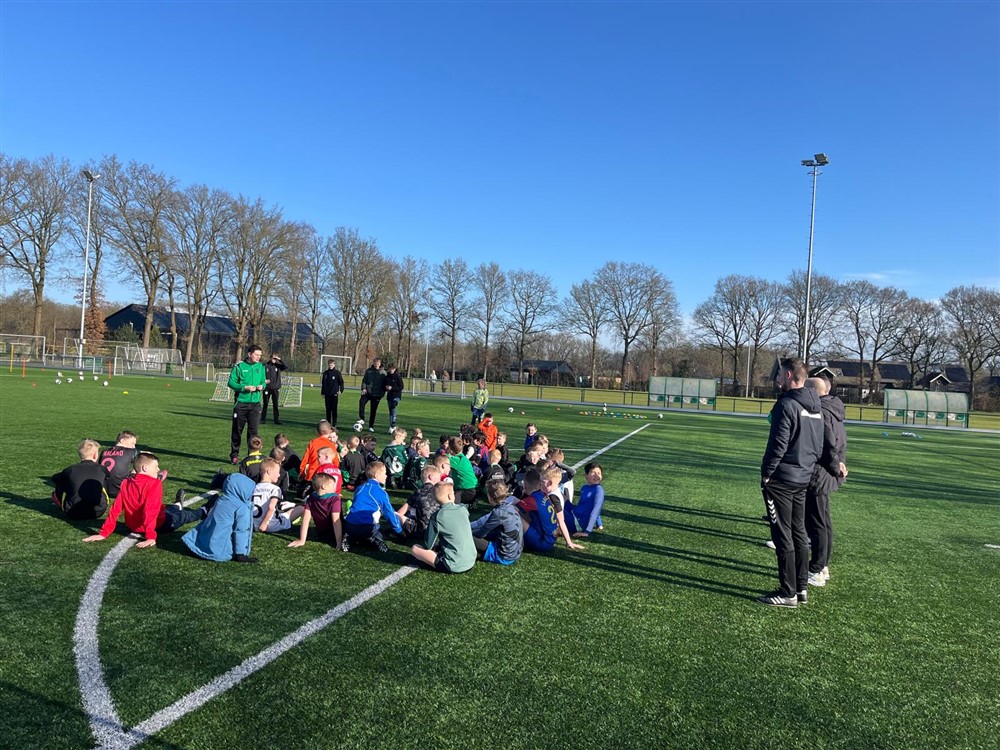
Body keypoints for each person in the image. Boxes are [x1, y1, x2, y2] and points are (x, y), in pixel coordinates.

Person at [757, 357, 824, 608]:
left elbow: (778, 445)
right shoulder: (816, 406)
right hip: (802, 478)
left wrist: (767, 473)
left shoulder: (786, 404)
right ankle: (801, 587)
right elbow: (818, 446)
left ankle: (788, 592)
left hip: (782, 480)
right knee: (798, 533)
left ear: (788, 376)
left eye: (778, 375)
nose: (775, 379)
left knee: (783, 535)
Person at [84, 452, 203, 547]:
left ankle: (177, 504)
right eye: (156, 466)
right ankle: (205, 510)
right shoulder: (155, 484)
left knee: (167, 509)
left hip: (132, 526)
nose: (158, 469)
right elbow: (150, 511)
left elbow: (116, 509)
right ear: (145, 467)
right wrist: (151, 536)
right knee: (185, 515)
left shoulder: (126, 482)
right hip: (160, 524)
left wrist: (104, 533)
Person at [805, 376, 848, 588]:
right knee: (822, 522)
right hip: (825, 473)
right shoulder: (834, 409)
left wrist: (835, 467)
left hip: (819, 474)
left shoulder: (821, 412)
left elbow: (828, 445)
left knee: (819, 524)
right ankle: (822, 565)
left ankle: (818, 568)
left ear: (813, 392)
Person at [181, 473, 259, 563]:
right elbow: (241, 530)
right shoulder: (242, 507)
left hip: (204, 543)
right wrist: (240, 554)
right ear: (244, 490)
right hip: (220, 551)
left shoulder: (221, 500)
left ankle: (199, 548)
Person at [410, 483, 476, 574]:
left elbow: (427, 545)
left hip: (454, 565)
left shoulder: (437, 516)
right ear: (450, 496)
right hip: (471, 559)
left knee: (415, 548)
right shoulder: (463, 509)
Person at [341, 461, 403, 553]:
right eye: (385, 474)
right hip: (368, 527)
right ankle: (375, 539)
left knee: (357, 529)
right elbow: (389, 513)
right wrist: (399, 531)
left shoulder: (359, 488)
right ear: (377, 475)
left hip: (350, 525)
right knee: (377, 534)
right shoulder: (380, 492)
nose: (386, 476)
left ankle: (351, 538)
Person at [51, 439, 109, 519]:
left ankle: (60, 502)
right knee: (103, 480)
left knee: (61, 481)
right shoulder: (102, 469)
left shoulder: (70, 470)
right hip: (98, 511)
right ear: (95, 455)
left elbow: (54, 478)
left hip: (72, 512)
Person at [470, 479, 524, 566]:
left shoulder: (498, 512)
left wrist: (467, 532)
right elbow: (484, 522)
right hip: (514, 553)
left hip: (503, 556)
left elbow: (480, 534)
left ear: (490, 497)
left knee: (468, 537)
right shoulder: (510, 506)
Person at [228, 345, 266, 464]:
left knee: (253, 432)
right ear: (249, 354)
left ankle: (251, 455)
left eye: (260, 355)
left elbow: (263, 382)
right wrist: (244, 388)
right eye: (256, 355)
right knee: (237, 431)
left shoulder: (261, 367)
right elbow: (231, 383)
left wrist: (262, 386)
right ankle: (234, 454)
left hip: (255, 404)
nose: (258, 357)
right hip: (241, 403)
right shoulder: (239, 367)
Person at [288, 473, 344, 549]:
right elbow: (336, 521)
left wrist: (302, 540)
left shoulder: (311, 497)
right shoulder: (334, 499)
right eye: (333, 485)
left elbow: (305, 520)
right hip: (337, 534)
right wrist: (339, 543)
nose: (335, 488)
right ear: (324, 486)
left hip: (321, 534)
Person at [252, 458, 304, 533]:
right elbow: (271, 507)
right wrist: (263, 524)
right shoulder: (275, 489)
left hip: (254, 525)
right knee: (302, 508)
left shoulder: (253, 487)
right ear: (269, 471)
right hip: (271, 525)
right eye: (277, 472)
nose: (279, 475)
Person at [540, 467, 585, 551]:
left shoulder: (553, 497)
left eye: (542, 482)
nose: (540, 484)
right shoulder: (555, 491)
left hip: (554, 528)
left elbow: (561, 520)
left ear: (550, 483)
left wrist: (568, 542)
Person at [516, 468, 558, 553]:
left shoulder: (532, 500)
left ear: (525, 485)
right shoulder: (544, 495)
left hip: (542, 542)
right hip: (551, 539)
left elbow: (511, 509)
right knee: (523, 514)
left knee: (512, 514)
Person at [398, 464, 442, 541]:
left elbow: (400, 512)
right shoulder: (440, 492)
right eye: (439, 477)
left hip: (422, 531)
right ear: (431, 476)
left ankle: (398, 532)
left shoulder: (418, 492)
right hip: (438, 531)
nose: (440, 480)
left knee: (395, 515)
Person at [566, 462, 606, 537]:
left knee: (557, 510)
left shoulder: (599, 491)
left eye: (599, 473)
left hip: (578, 523)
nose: (597, 475)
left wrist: (587, 532)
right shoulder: (584, 487)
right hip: (575, 514)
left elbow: (596, 510)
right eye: (593, 473)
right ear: (585, 475)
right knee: (560, 498)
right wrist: (599, 524)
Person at [100, 430, 138, 500]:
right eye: (132, 443)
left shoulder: (103, 452)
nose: (133, 447)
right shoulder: (130, 451)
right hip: (121, 490)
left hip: (103, 489)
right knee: (142, 465)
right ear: (122, 440)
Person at [446, 437, 479, 507]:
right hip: (474, 488)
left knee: (448, 501)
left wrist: (446, 452)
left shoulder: (456, 461)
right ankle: (471, 501)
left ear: (450, 449)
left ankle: (469, 503)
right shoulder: (463, 458)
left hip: (467, 490)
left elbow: (442, 459)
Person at [358, 357, 387, 432]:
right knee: (361, 402)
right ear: (373, 363)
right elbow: (364, 380)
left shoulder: (383, 373)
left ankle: (371, 426)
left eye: (378, 363)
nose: (376, 364)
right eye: (375, 363)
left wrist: (381, 394)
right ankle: (362, 419)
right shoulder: (369, 371)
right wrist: (364, 388)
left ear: (380, 364)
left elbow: (385, 385)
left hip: (377, 394)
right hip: (367, 392)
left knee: (373, 411)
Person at [261, 353, 287, 425]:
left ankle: (276, 420)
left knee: (275, 404)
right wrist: (264, 381)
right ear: (270, 358)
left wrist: (280, 360)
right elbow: (261, 374)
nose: (274, 360)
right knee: (265, 404)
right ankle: (263, 419)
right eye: (273, 358)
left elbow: (285, 367)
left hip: (275, 388)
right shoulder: (266, 366)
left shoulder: (278, 366)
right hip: (267, 388)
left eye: (275, 359)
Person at [320, 359, 345, 427]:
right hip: (327, 394)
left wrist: (341, 390)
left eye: (332, 365)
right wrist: (322, 392)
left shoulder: (337, 373)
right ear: (328, 365)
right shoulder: (325, 373)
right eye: (329, 365)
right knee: (328, 409)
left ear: (334, 365)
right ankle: (328, 423)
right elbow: (323, 383)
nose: (330, 366)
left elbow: (341, 382)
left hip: (334, 394)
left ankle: (334, 423)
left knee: (334, 409)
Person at [384, 364, 404, 431]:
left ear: (395, 369)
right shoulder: (387, 377)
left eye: (392, 369)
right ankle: (391, 426)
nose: (391, 370)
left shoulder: (397, 377)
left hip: (396, 395)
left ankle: (393, 422)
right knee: (390, 410)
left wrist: (392, 388)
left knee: (393, 405)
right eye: (390, 369)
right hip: (389, 396)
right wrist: (386, 387)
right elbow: (384, 385)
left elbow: (401, 387)